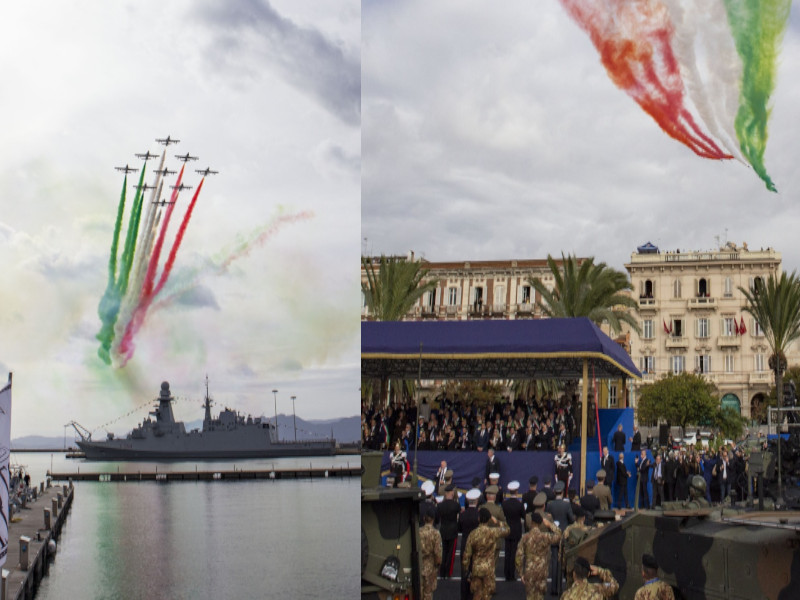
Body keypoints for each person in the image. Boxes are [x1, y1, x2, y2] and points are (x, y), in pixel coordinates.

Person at [462, 508, 509, 600]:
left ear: (478, 519)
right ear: (488, 519)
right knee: (487, 595)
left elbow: (467, 555)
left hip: (476, 568)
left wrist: (466, 571)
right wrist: (498, 522)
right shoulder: (493, 532)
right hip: (489, 569)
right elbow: (507, 530)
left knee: (476, 595)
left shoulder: (473, 534)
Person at [515, 511, 562, 600]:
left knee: (530, 596)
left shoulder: (525, 537)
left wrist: (520, 573)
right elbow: (559, 535)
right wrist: (550, 525)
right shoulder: (545, 536)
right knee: (540, 596)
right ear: (540, 524)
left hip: (529, 570)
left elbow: (518, 556)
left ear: (531, 522)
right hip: (542, 570)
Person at [458, 488, 481, 600]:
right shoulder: (479, 515)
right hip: (476, 547)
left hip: (465, 545)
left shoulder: (463, 515)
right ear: (477, 501)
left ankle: (464, 595)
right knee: (475, 573)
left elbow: (460, 529)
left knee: (464, 573)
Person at [502, 480, 525, 581]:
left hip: (507, 528)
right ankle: (511, 573)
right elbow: (523, 516)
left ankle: (506, 572)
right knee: (514, 552)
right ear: (516, 491)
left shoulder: (505, 504)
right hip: (516, 529)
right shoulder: (519, 505)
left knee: (507, 551)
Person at [437, 483, 461, 578]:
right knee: (451, 553)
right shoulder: (456, 505)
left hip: (443, 529)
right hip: (453, 530)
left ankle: (442, 571)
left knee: (443, 551)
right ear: (451, 493)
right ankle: (448, 572)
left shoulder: (440, 506)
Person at [419, 506, 442, 600]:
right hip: (430, 566)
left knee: (419, 592)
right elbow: (438, 553)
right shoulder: (436, 533)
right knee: (428, 593)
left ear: (424, 518)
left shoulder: (418, 531)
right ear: (433, 519)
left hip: (419, 565)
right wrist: (437, 566)